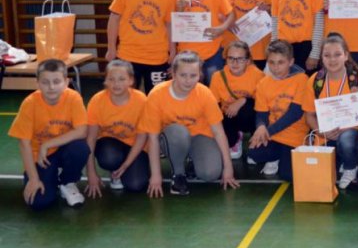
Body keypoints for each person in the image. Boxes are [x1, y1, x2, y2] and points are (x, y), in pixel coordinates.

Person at [140, 51, 240, 197]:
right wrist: (156, 175)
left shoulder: (205, 94)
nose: (188, 81)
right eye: (183, 75)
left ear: (200, 75)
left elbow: (219, 132)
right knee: (178, 132)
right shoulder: (157, 94)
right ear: (173, 74)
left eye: (193, 75)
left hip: (199, 136)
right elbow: (153, 138)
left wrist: (228, 168)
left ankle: (193, 159)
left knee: (210, 174)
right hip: (172, 139)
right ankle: (178, 174)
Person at [8, 59, 90, 209]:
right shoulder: (30, 104)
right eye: (45, 82)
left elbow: (82, 131)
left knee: (80, 149)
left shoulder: (73, 98)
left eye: (56, 81)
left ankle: (67, 181)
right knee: (38, 202)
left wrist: (47, 144)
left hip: (62, 150)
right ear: (37, 83)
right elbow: (24, 143)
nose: (51, 87)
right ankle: (51, 175)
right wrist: (33, 179)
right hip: (40, 158)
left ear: (66, 82)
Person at [303, 34, 358, 189]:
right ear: (321, 58)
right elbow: (309, 115)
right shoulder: (315, 81)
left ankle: (350, 168)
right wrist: (321, 131)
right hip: (325, 134)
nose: (332, 59)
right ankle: (345, 159)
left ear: (346, 56)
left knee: (346, 141)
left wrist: (347, 124)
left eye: (337, 54)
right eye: (327, 55)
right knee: (319, 178)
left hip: (353, 132)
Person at [107, 0, 175, 93]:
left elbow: (169, 24)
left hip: (157, 57)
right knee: (126, 97)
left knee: (157, 98)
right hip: (128, 56)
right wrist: (111, 48)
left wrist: (173, 51)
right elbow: (114, 19)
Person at [85, 60, 150, 196]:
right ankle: (114, 170)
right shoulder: (97, 101)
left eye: (121, 79)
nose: (116, 84)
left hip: (135, 146)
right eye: (111, 79)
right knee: (109, 158)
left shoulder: (141, 100)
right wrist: (91, 173)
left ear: (131, 80)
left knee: (136, 184)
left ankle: (124, 168)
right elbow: (90, 139)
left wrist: (126, 165)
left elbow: (142, 137)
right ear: (105, 81)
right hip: (110, 145)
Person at [248, 40, 310, 180]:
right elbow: (261, 113)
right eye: (271, 62)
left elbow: (295, 114)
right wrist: (261, 127)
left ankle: (282, 156)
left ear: (291, 62)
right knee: (253, 153)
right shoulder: (263, 83)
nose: (275, 68)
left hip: (294, 135)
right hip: (273, 134)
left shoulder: (302, 79)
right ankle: (276, 157)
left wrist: (267, 132)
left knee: (287, 175)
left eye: (281, 62)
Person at [173, 0, 234, 83]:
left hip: (212, 52)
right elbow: (174, 24)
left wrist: (222, 28)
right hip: (187, 54)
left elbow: (231, 14)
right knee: (190, 89)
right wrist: (180, 9)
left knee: (214, 89)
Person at [209, 41, 264, 160]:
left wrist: (242, 100)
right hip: (228, 116)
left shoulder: (258, 75)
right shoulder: (218, 77)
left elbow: (262, 105)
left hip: (249, 115)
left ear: (248, 61)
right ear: (226, 59)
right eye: (231, 58)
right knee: (225, 141)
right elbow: (214, 106)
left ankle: (255, 139)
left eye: (240, 59)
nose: (235, 63)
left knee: (249, 108)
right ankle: (235, 137)